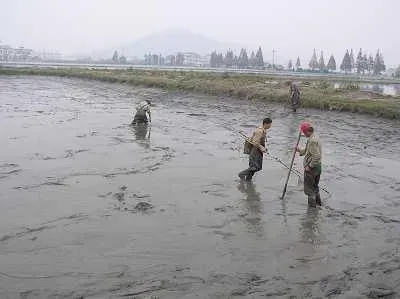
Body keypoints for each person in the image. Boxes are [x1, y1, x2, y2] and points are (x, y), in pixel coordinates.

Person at [296, 122, 322, 207]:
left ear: (307, 131)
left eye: (304, 132)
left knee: (309, 189)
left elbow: (317, 156)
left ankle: (312, 211)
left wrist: (309, 166)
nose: (303, 134)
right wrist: (300, 151)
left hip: (312, 168)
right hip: (318, 167)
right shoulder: (314, 138)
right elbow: (308, 151)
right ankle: (319, 204)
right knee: (315, 187)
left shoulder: (312, 141)